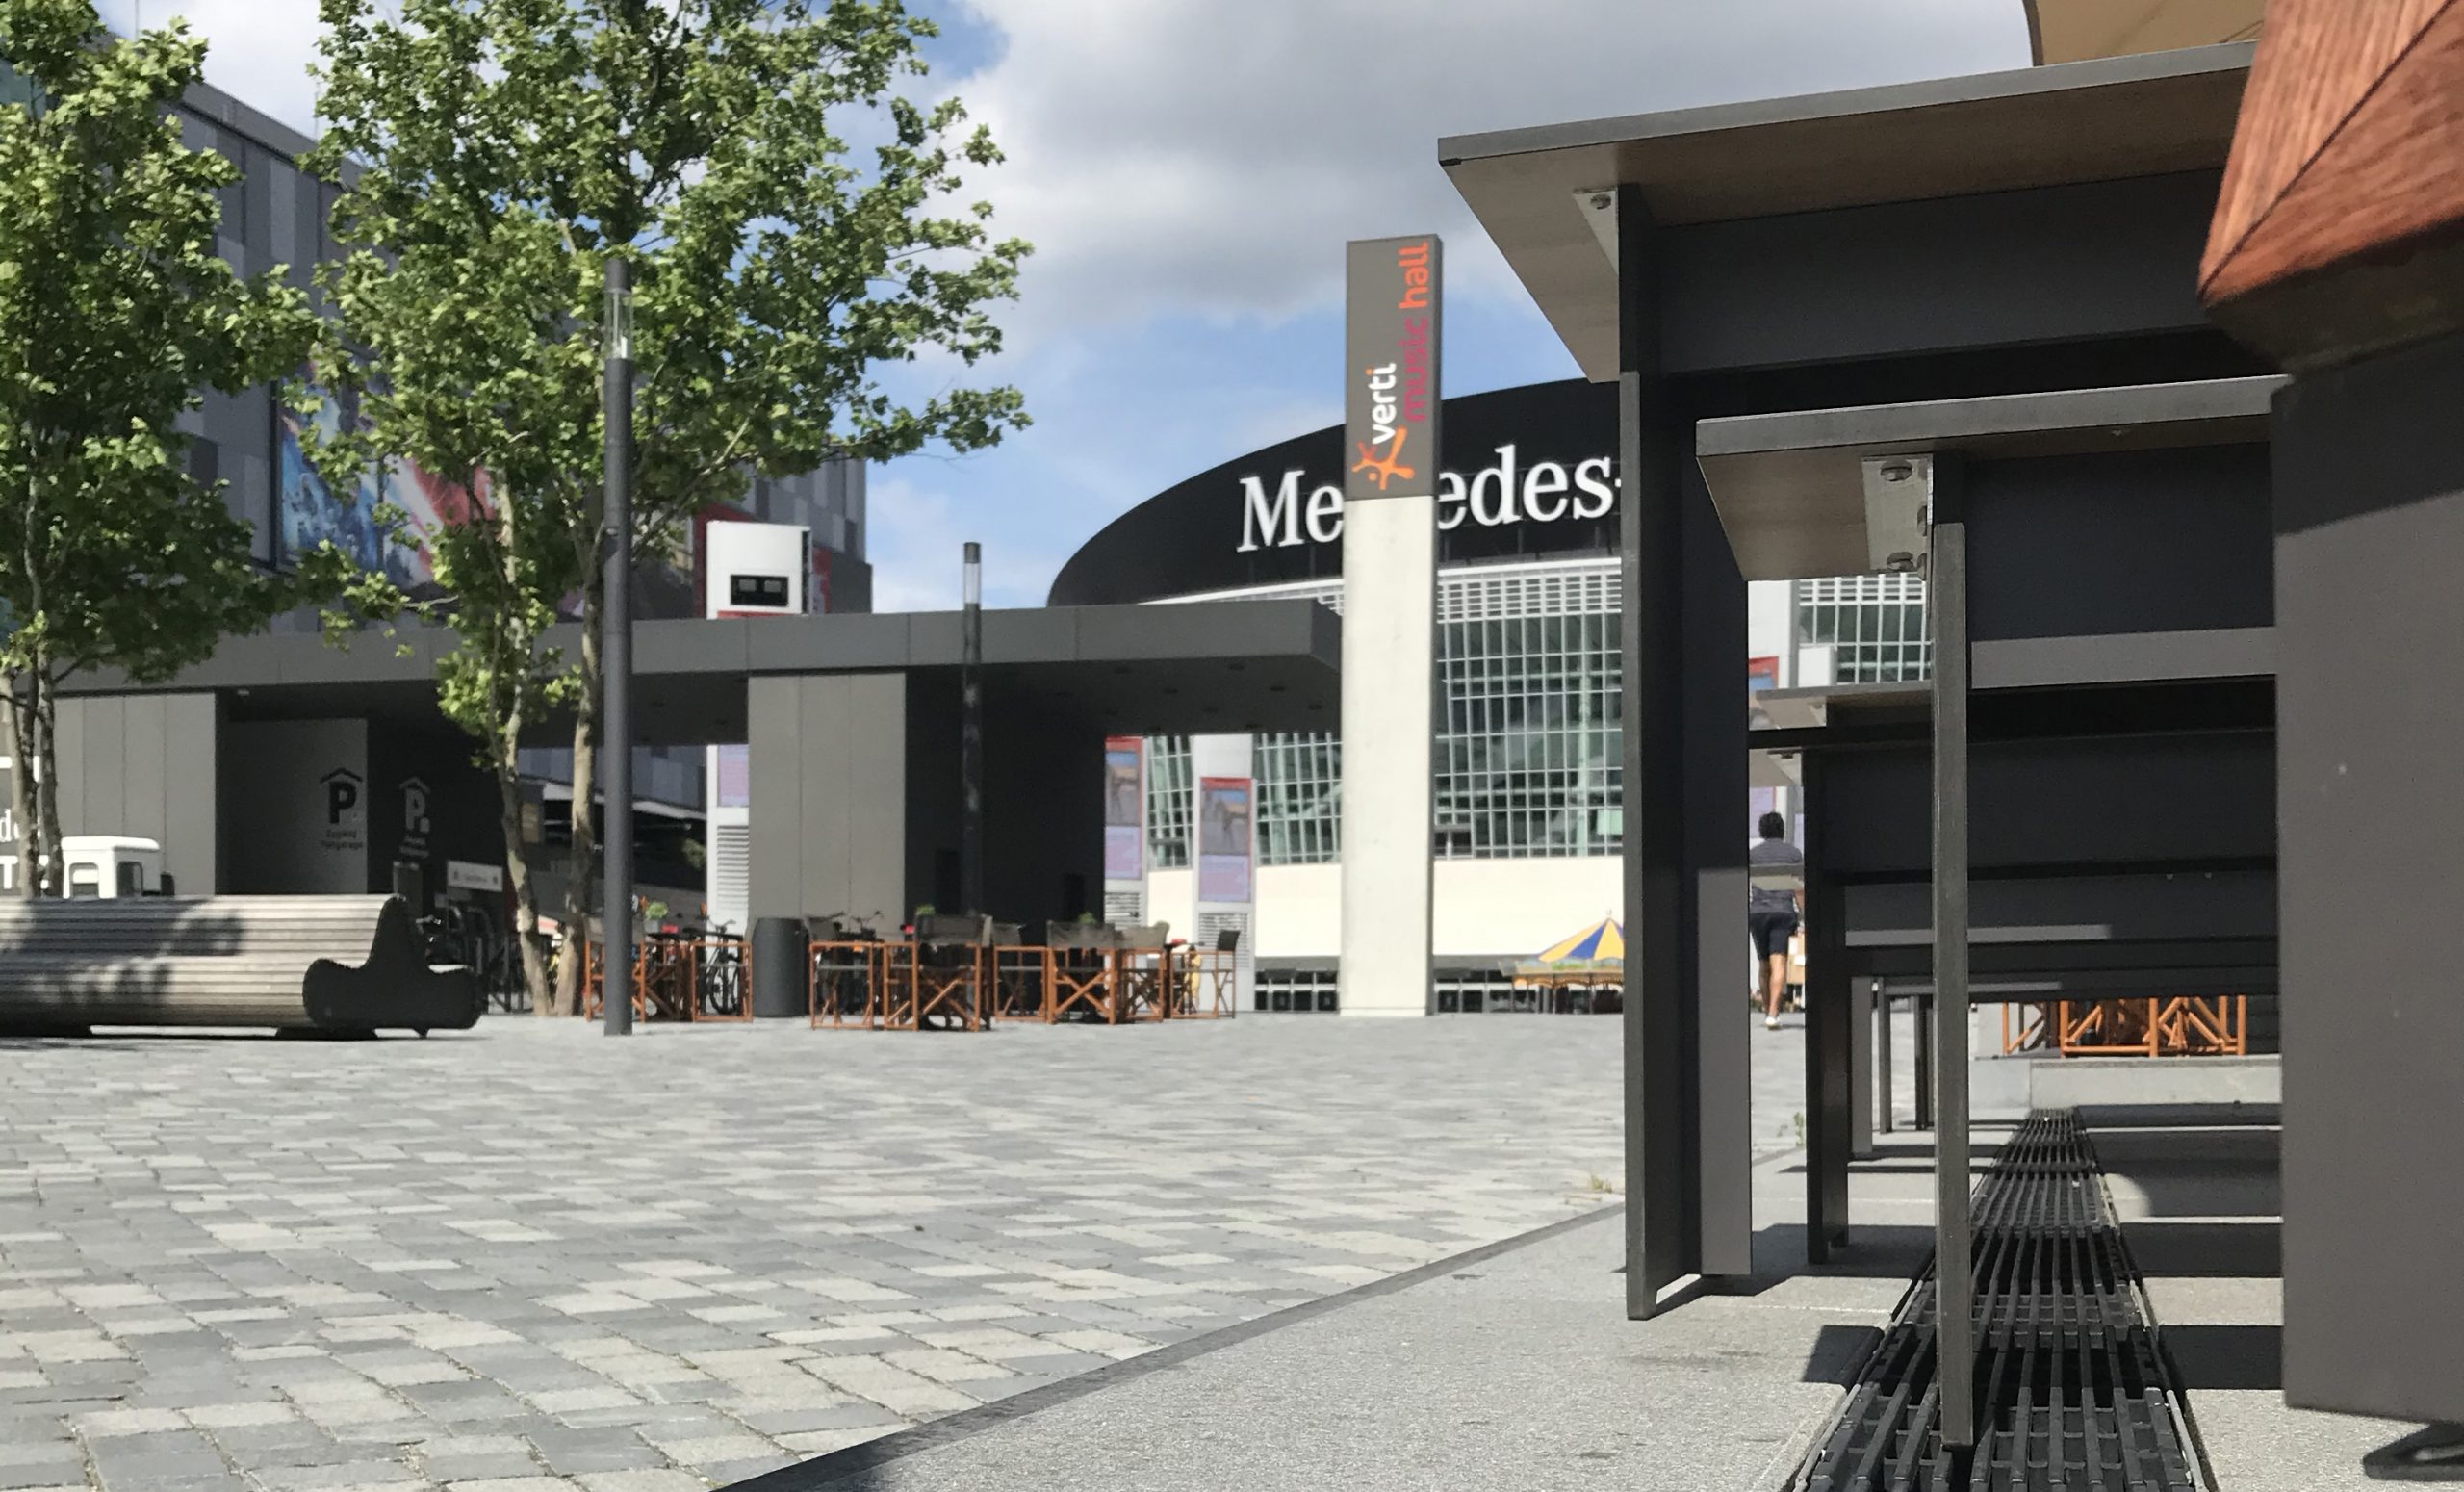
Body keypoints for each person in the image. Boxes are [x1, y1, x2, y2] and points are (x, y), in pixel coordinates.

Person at [1749, 810, 1803, 1030]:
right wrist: (1804, 915)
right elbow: (1799, 889)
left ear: (1762, 830)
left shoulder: (1753, 854)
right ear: (1782, 830)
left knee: (1763, 963)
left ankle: (1766, 1010)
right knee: (1778, 962)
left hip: (1758, 913)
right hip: (1783, 912)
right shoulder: (1793, 853)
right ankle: (1773, 1013)